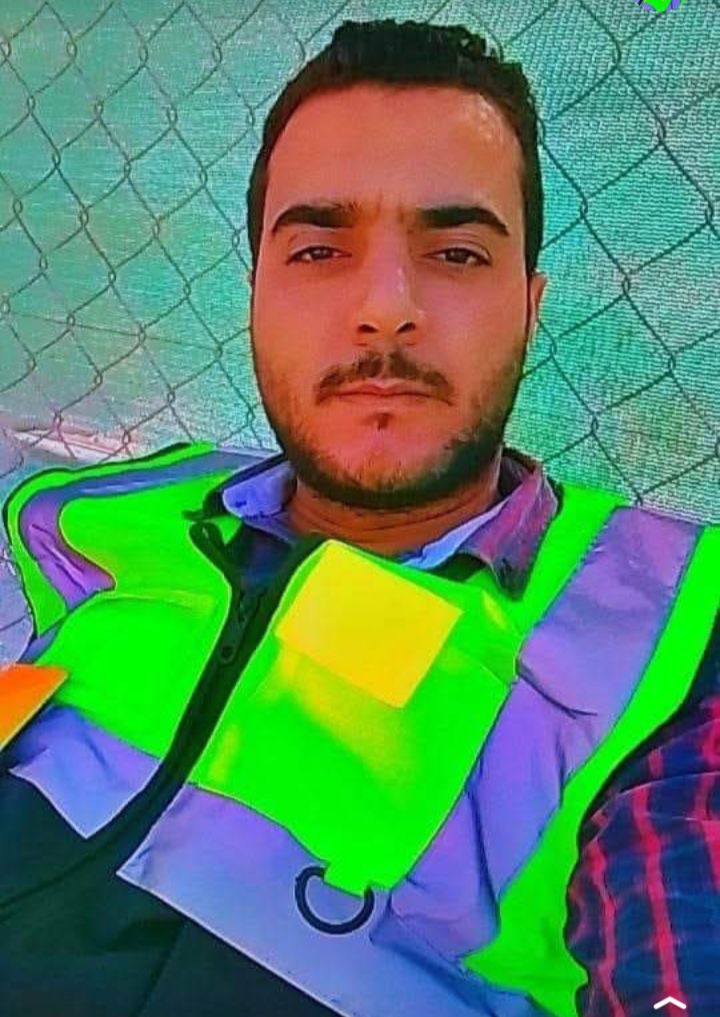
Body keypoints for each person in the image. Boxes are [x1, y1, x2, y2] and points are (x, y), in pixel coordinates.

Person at [0, 18, 717, 1017]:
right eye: (318, 249)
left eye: (457, 252)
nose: (386, 306)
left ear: (530, 304)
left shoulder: (669, 639)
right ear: (255, 293)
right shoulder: (114, 503)